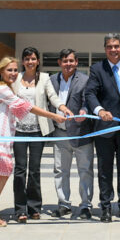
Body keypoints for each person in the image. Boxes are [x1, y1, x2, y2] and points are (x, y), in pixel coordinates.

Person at [0, 57, 66, 227]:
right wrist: (54, 116)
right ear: (1, 71)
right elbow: (26, 106)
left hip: (3, 135)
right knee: (5, 169)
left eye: (15, 70)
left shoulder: (5, 88)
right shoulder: (2, 89)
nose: (14, 73)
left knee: (4, 170)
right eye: (9, 70)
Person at [84, 33, 120, 222]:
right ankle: (106, 208)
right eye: (110, 46)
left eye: (116, 46)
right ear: (105, 49)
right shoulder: (97, 68)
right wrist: (100, 110)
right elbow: (90, 93)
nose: (114, 50)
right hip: (105, 128)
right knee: (105, 170)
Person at [12, 47, 70, 222]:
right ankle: (20, 209)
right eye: (27, 58)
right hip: (18, 131)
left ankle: (34, 207)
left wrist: (62, 107)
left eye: (33, 59)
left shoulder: (44, 78)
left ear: (38, 61)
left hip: (38, 130)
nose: (30, 62)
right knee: (20, 169)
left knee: (35, 170)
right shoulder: (16, 78)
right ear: (23, 61)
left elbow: (53, 97)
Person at [48, 48, 93, 219]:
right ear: (59, 63)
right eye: (65, 61)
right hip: (60, 133)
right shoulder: (51, 80)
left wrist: (84, 110)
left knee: (85, 170)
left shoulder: (85, 79)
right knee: (60, 170)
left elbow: (89, 99)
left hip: (81, 133)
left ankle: (85, 206)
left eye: (71, 61)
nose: (68, 64)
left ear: (76, 62)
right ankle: (64, 204)